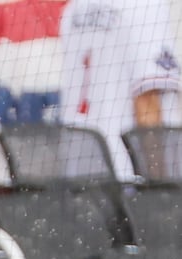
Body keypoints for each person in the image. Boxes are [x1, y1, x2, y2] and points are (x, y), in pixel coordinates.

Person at [60, 0, 180, 179]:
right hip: (126, 175)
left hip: (79, 173)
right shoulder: (146, 5)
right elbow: (147, 103)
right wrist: (160, 185)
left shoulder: (75, 7)